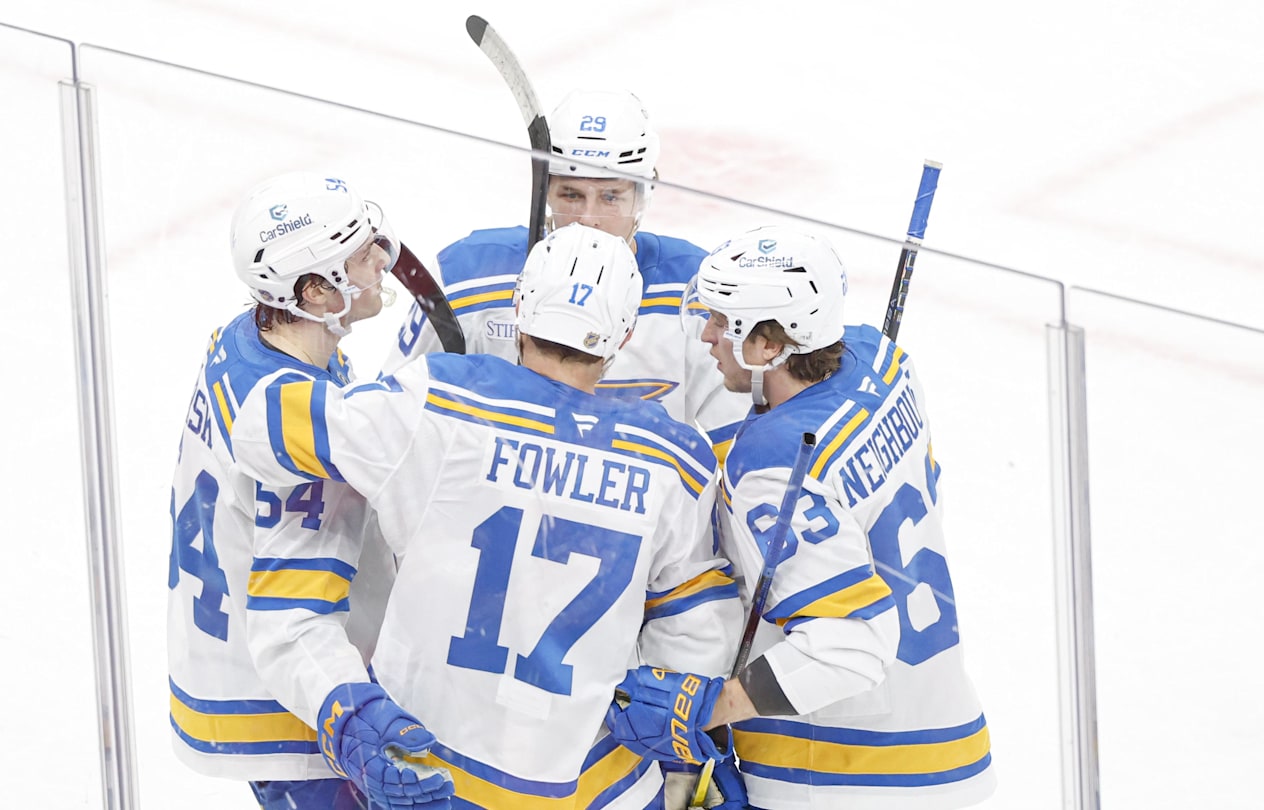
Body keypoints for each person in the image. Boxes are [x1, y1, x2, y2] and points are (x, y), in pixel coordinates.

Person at [232, 223, 744, 809]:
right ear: (623, 334)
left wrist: (258, 336)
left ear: (520, 309)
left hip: (427, 769)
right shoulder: (675, 457)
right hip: (595, 783)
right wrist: (675, 740)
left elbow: (261, 430)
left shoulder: (439, 401)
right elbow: (696, 625)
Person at [609, 226, 996, 809]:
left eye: (724, 322)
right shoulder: (884, 362)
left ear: (770, 346)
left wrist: (708, 707)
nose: (708, 337)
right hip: (949, 741)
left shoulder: (775, 466)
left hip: (847, 774)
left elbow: (847, 646)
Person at [167, 171, 437, 809]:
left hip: (229, 645)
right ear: (315, 291)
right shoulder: (293, 444)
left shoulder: (254, 340)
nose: (380, 260)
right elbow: (292, 622)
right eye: (358, 254)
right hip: (288, 706)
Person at [384, 88, 750, 461]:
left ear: (642, 197)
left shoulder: (697, 292)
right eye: (571, 195)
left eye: (610, 197)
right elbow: (393, 425)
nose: (589, 219)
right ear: (546, 191)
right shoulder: (467, 277)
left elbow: (739, 452)